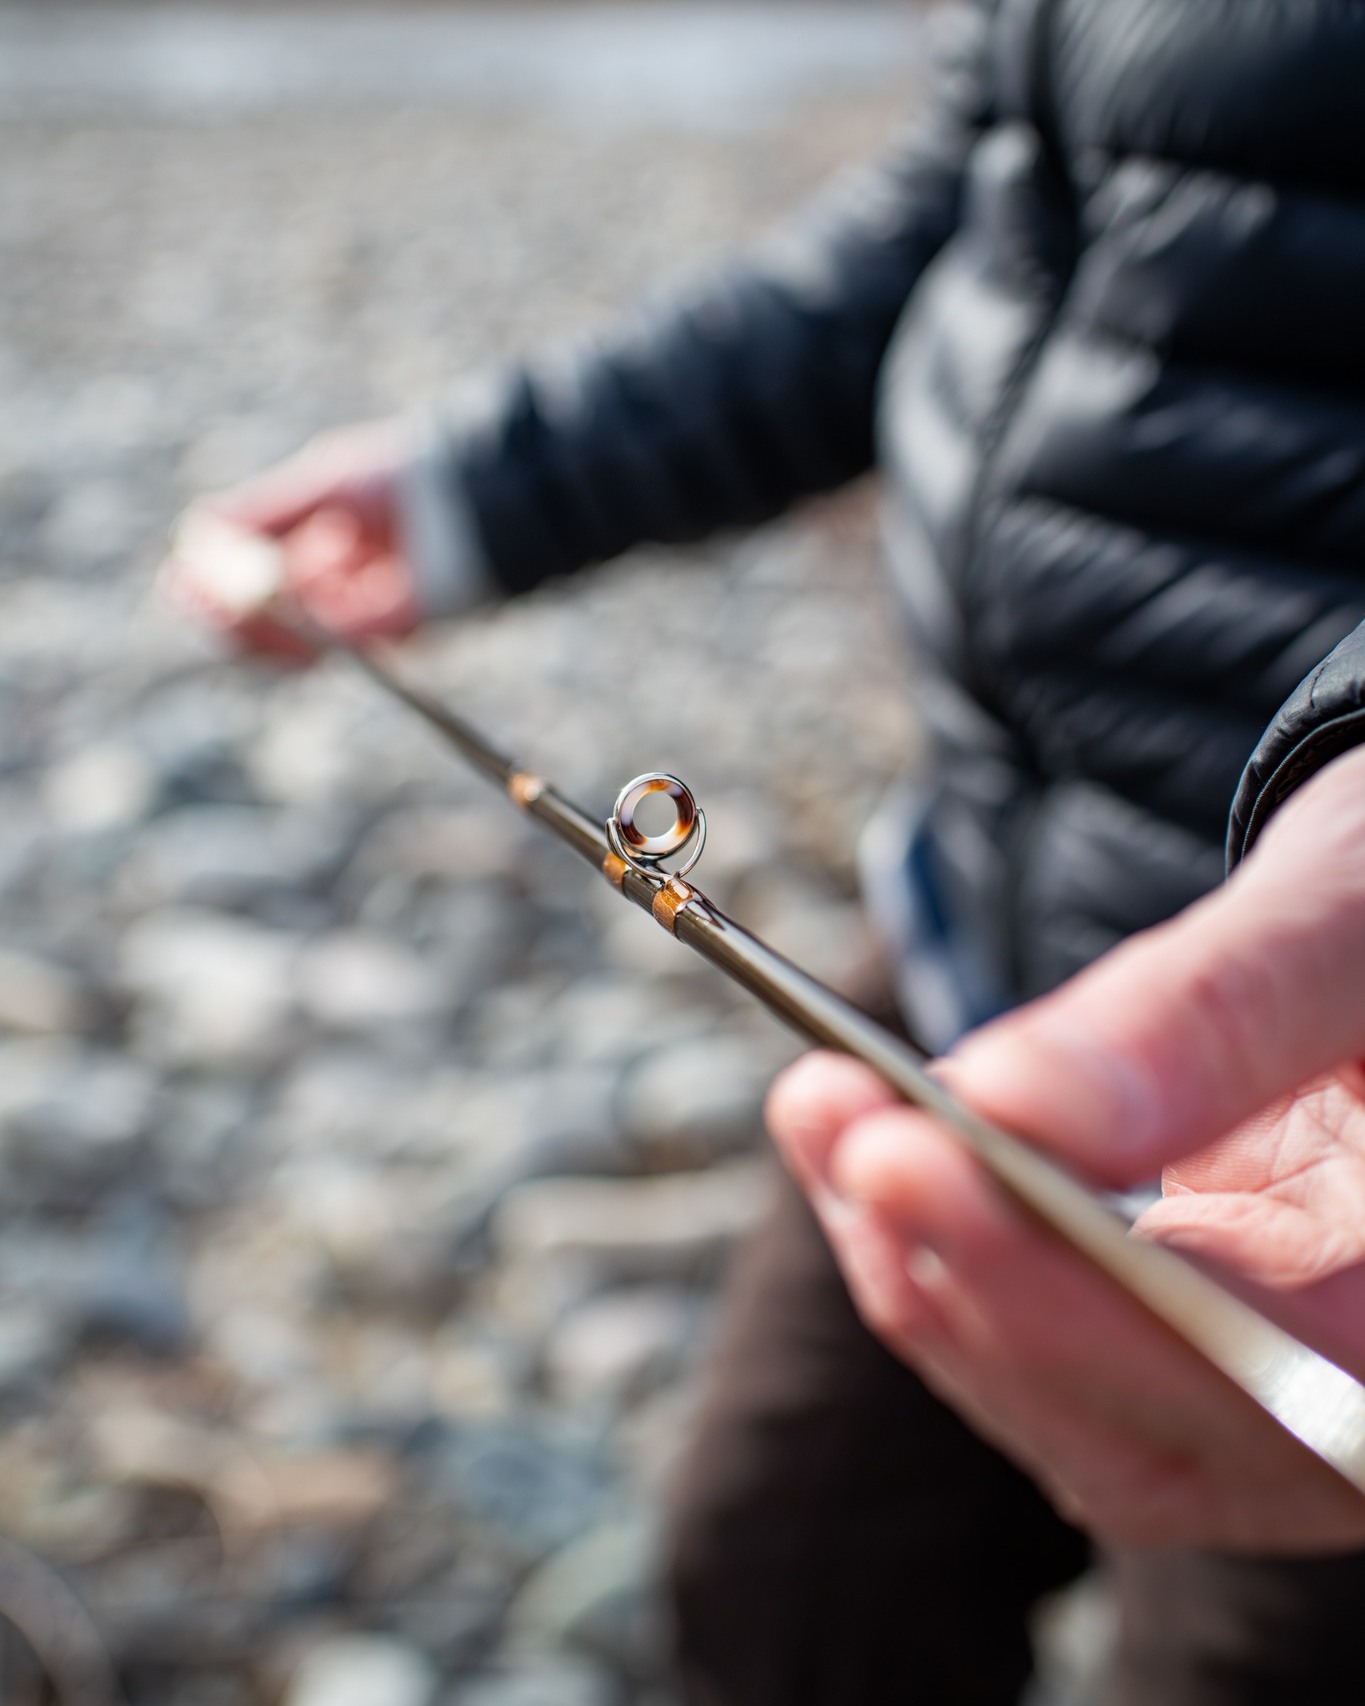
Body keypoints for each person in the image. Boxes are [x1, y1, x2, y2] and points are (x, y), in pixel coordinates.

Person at [167, 0, 1365, 1698]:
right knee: (774, 1584)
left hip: (1317, 1084)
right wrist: (471, 495)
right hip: (964, 934)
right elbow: (960, 229)